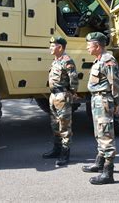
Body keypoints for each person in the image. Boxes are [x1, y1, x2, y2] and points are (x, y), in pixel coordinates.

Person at [81, 32, 119, 185]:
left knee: (106, 134)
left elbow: (115, 83)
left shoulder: (108, 60)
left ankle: (108, 172)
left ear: (97, 46)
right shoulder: (98, 60)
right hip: (96, 99)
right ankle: (99, 162)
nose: (87, 48)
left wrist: (117, 103)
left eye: (89, 45)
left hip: (104, 99)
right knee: (99, 132)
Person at [43, 36, 79, 167]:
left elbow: (73, 79)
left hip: (62, 96)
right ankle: (56, 149)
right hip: (53, 96)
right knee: (54, 124)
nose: (50, 48)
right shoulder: (56, 61)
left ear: (60, 47)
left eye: (53, 46)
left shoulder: (67, 61)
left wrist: (71, 93)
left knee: (64, 126)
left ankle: (65, 153)